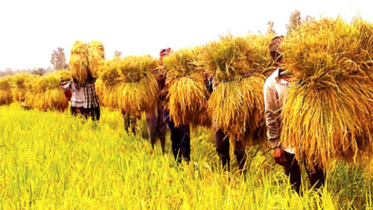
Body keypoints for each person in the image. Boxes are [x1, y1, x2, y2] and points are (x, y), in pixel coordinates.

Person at [264, 36, 325, 194]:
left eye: (284, 54)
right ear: (274, 59)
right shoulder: (271, 83)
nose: (281, 59)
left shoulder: (306, 76)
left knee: (318, 181)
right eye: (277, 56)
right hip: (288, 142)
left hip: (311, 139)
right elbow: (270, 116)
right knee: (294, 184)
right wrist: (276, 146)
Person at [159, 48, 191, 163]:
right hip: (169, 109)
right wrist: (165, 92)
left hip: (181, 108)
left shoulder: (180, 72)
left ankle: (187, 162)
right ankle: (178, 162)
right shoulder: (160, 75)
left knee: (185, 135)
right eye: (163, 58)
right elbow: (159, 95)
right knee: (174, 136)